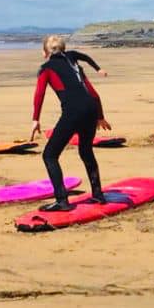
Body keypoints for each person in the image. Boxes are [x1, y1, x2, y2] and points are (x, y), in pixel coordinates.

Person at [30, 35, 109, 211]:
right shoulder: (74, 65)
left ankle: (62, 201)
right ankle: (98, 195)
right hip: (90, 109)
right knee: (86, 150)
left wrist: (36, 119)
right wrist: (100, 115)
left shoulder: (46, 68)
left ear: (45, 52)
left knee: (49, 155)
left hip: (73, 111)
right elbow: (92, 92)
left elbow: (39, 94)